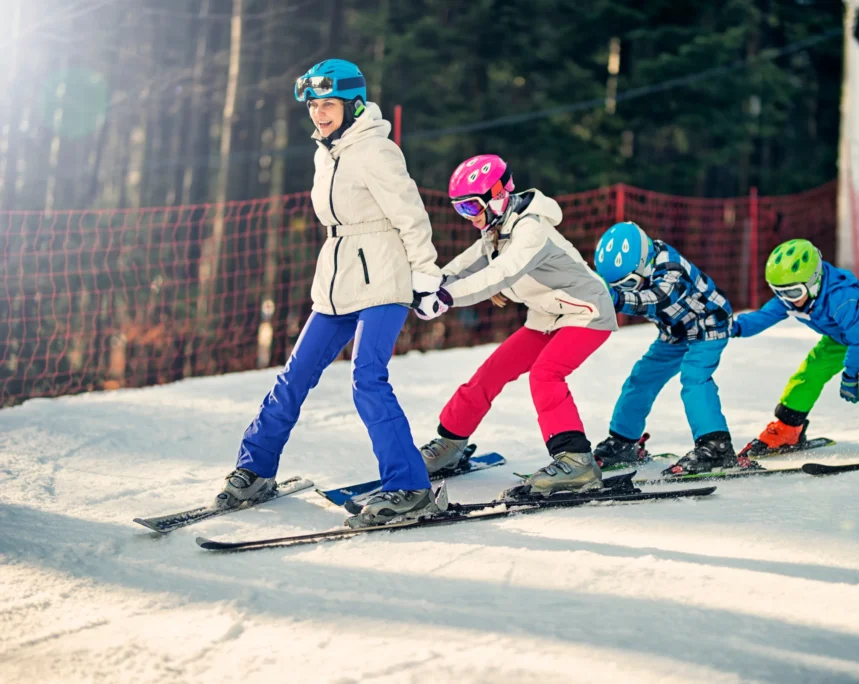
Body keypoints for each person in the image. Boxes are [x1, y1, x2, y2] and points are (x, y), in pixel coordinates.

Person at [216, 59, 449, 529]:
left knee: (367, 378)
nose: (318, 114)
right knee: (294, 375)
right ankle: (255, 470)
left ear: (353, 105)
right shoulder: (326, 153)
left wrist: (426, 273)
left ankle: (410, 487)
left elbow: (411, 214)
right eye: (313, 106)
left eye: (328, 105)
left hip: (382, 278)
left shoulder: (377, 150)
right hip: (337, 283)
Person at [414, 154, 618, 496]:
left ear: (497, 196)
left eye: (472, 206)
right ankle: (450, 444)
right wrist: (429, 285)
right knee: (490, 373)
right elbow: (464, 265)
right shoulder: (495, 230)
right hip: (546, 318)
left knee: (545, 374)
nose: (470, 216)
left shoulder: (531, 229)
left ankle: (576, 461)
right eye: (461, 209)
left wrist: (447, 297)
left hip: (586, 312)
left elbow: (500, 273)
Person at [731, 238, 859, 459]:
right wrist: (733, 327)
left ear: (813, 282)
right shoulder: (792, 299)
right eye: (778, 292)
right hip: (840, 333)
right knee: (811, 371)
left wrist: (850, 374)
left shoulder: (841, 299)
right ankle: (788, 428)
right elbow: (763, 316)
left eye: (792, 292)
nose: (785, 299)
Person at [590, 221, 758, 475]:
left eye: (627, 284)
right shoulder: (635, 268)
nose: (624, 290)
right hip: (675, 332)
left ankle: (716, 447)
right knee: (642, 378)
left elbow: (657, 300)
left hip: (708, 326)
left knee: (694, 377)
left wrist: (616, 298)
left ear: (643, 262)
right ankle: (623, 442)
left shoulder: (670, 266)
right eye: (618, 286)